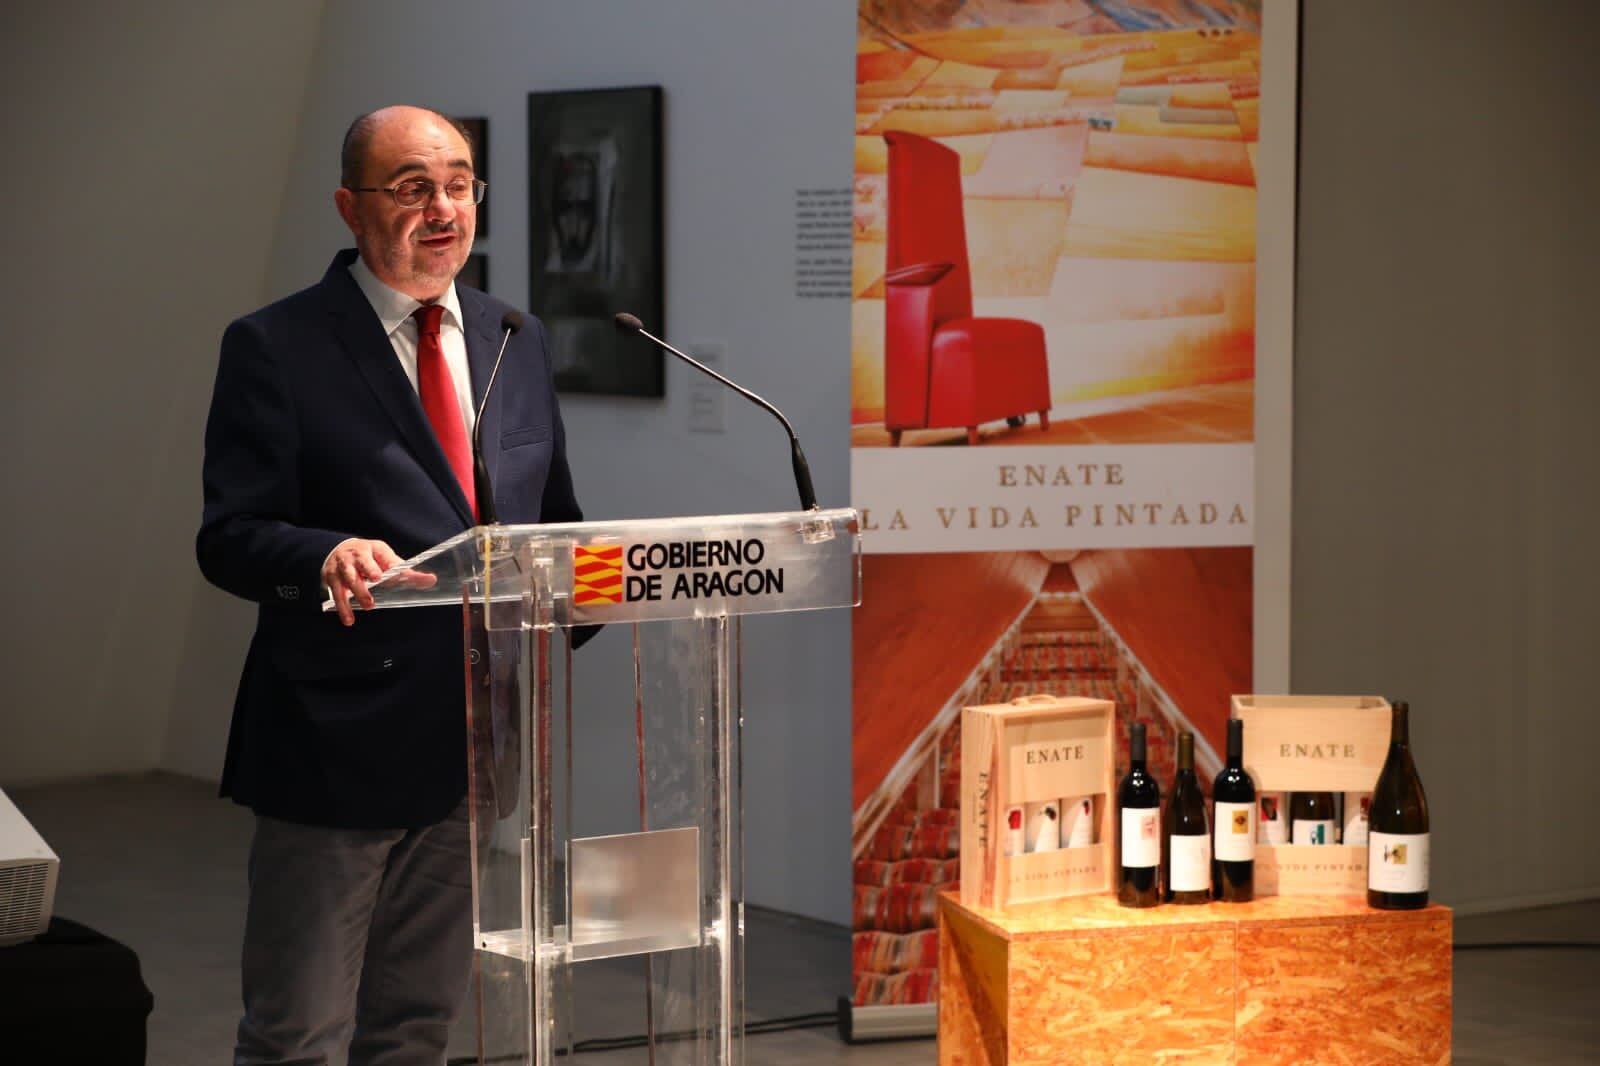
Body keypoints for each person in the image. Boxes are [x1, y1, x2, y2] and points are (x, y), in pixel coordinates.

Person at [197, 104, 584, 1064]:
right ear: (351, 206)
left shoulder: (513, 335)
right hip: (336, 742)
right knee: (298, 1033)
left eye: (459, 185)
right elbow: (231, 537)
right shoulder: (278, 345)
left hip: (474, 740)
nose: (443, 209)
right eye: (413, 188)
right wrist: (321, 555)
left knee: (416, 1030)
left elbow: (556, 521)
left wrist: (616, 585)